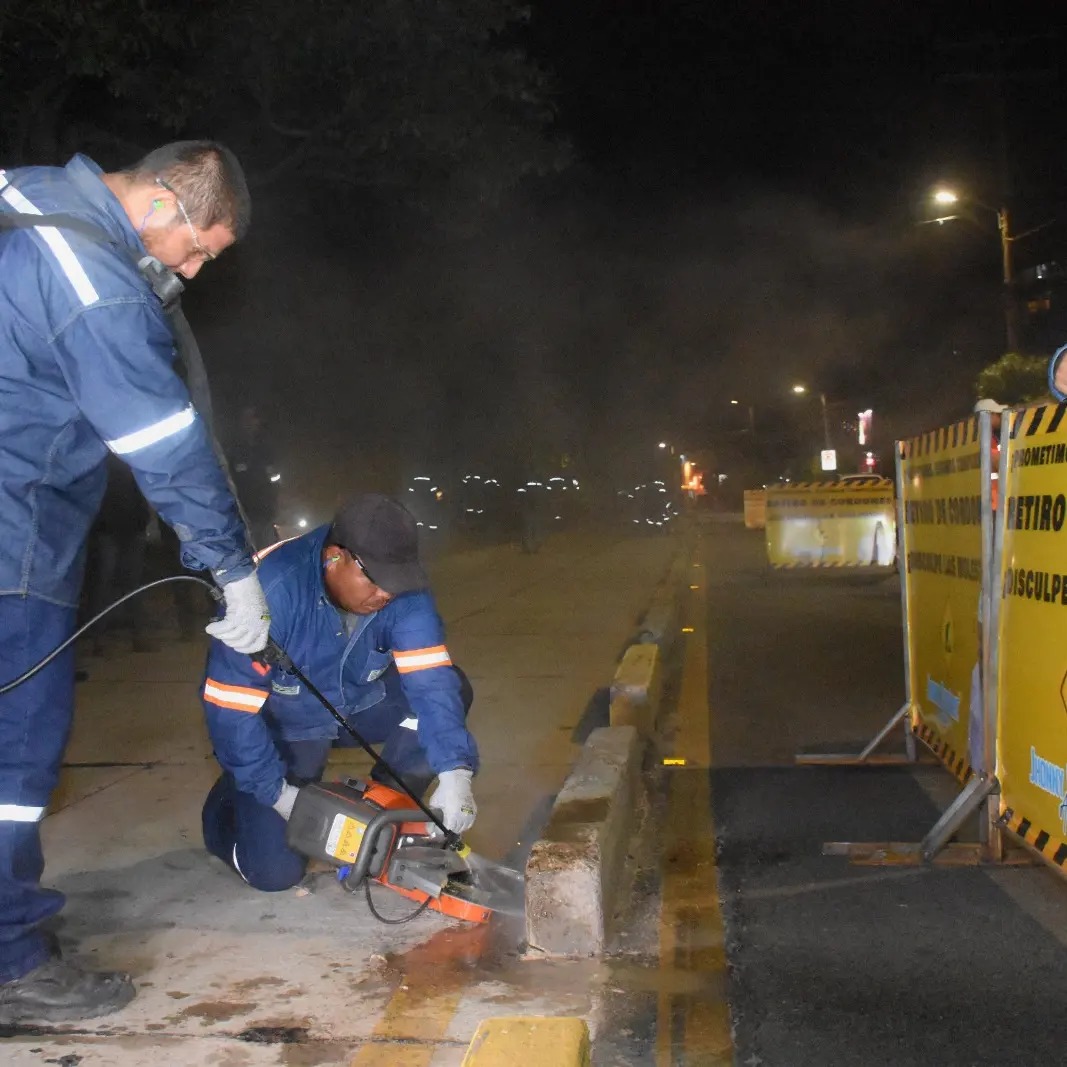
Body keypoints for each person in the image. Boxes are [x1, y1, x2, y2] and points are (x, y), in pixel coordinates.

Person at [0, 142, 272, 1023]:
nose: (191, 272)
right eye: (198, 250)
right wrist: (231, 566)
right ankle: (10, 963)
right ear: (162, 200)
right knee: (13, 757)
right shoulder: (97, 283)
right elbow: (163, 442)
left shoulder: (26, 195)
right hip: (13, 538)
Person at [200, 494, 479, 893]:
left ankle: (388, 799)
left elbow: (432, 682)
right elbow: (230, 711)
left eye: (397, 582)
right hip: (288, 726)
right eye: (377, 580)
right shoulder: (270, 591)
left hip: (359, 705)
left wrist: (455, 772)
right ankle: (230, 800)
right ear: (335, 558)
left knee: (454, 684)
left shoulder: (404, 592)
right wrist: (276, 794)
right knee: (275, 874)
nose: (387, 594)